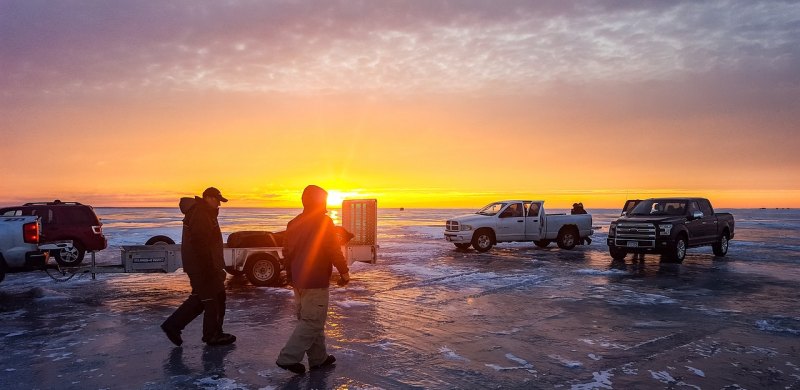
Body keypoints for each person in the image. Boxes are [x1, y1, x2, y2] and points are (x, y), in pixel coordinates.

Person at [276, 185, 350, 375]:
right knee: (312, 321)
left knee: (313, 319)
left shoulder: (293, 223)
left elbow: (287, 252)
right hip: (315, 280)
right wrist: (344, 271)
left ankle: (319, 359)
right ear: (320, 201)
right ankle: (288, 358)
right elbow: (332, 249)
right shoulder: (323, 222)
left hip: (299, 280)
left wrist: (291, 276)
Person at [161, 187, 236, 347]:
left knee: (203, 298)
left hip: (205, 266)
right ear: (208, 198)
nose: (219, 205)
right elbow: (200, 244)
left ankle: (173, 325)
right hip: (202, 267)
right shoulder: (201, 214)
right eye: (217, 200)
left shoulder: (203, 213)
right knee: (212, 300)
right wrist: (208, 269)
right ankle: (212, 335)